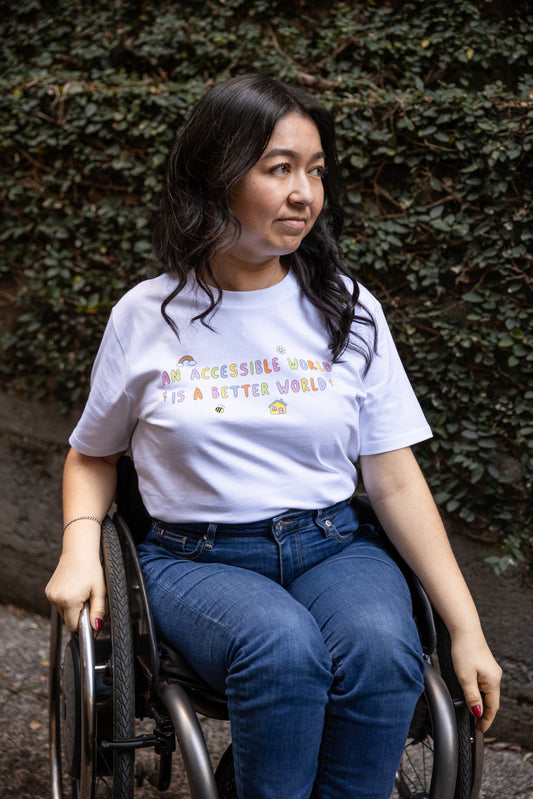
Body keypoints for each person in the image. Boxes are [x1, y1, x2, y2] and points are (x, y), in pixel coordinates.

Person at [46, 73, 501, 799]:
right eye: (278, 168)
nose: (304, 193)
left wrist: (465, 627)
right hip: (197, 559)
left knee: (384, 650)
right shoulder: (148, 314)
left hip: (333, 545)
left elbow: (392, 476)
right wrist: (78, 548)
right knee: (281, 647)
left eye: (315, 170)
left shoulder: (346, 308)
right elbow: (93, 452)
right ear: (216, 176)